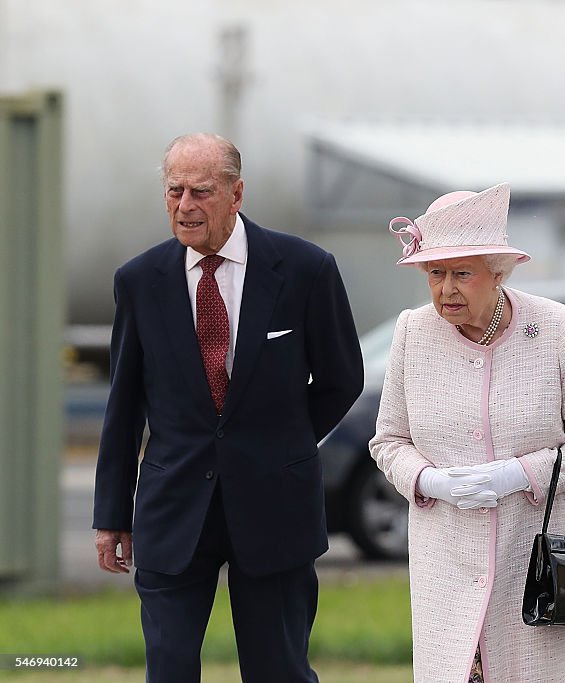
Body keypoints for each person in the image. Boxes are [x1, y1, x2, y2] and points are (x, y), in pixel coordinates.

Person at [92, 133, 363, 683]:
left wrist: (282, 443)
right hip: (173, 509)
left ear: (237, 193)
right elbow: (123, 407)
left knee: (278, 670)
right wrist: (112, 515)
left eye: (201, 192)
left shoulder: (305, 269)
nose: (185, 206)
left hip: (276, 506)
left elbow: (342, 379)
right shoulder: (140, 281)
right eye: (174, 191)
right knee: (167, 670)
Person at [370, 182, 565, 683]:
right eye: (435, 274)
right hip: (447, 561)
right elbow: (388, 441)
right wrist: (429, 481)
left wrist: (518, 474)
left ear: (497, 272)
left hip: (534, 560)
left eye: (462, 273)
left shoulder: (557, 327)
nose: (446, 289)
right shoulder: (412, 332)